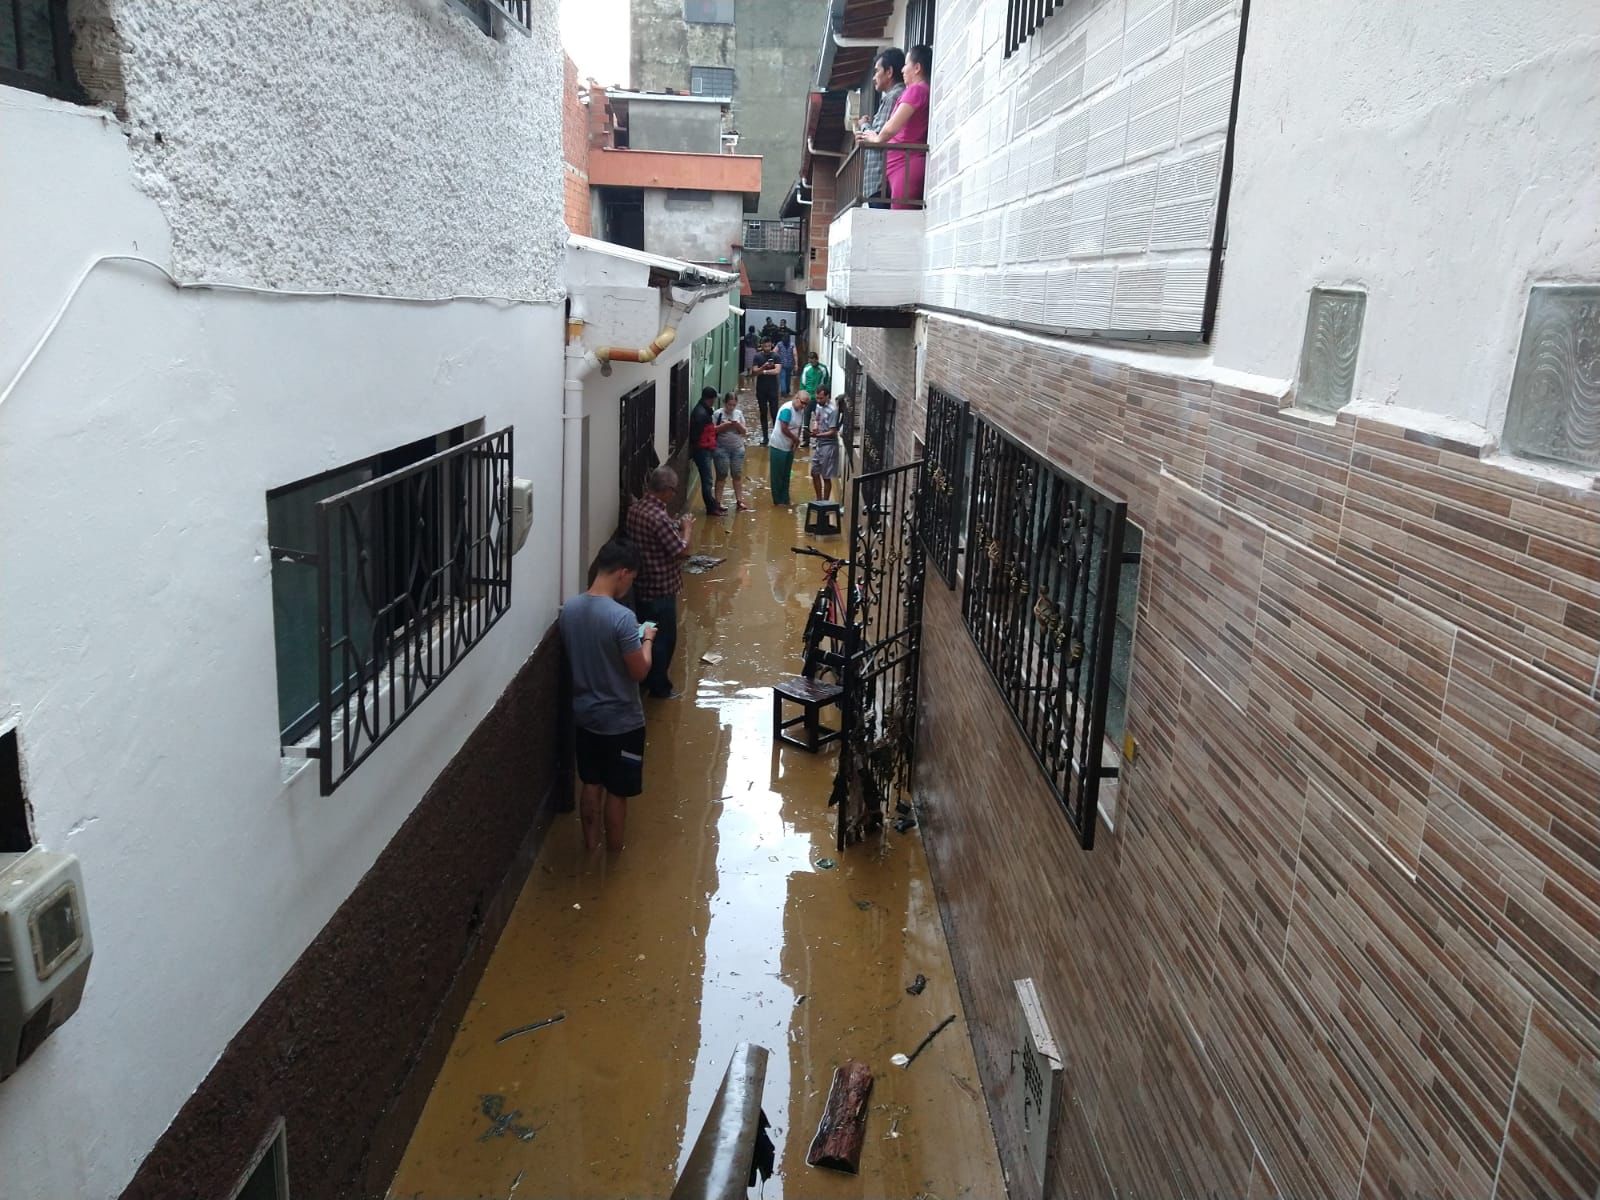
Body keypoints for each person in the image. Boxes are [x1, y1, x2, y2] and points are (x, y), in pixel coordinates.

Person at [560, 539, 655, 852]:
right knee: (617, 790)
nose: (630, 586)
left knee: (591, 781)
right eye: (632, 579)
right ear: (623, 573)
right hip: (622, 722)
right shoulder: (622, 618)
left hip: (585, 716)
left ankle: (590, 847)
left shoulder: (569, 610)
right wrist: (648, 640)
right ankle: (614, 854)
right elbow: (639, 671)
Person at [623, 467, 693, 699]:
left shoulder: (635, 510)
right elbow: (681, 551)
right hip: (661, 589)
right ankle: (660, 687)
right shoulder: (658, 518)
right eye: (673, 492)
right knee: (664, 640)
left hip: (641, 586)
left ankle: (645, 676)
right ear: (666, 491)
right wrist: (687, 530)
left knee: (645, 633)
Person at [857, 43, 930, 209]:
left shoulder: (915, 91)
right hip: (902, 167)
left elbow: (889, 129)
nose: (903, 70)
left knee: (900, 224)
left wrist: (875, 137)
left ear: (917, 67)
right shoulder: (921, 90)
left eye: (907, 65)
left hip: (904, 167)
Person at [857, 49, 905, 208]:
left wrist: (863, 125)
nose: (873, 77)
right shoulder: (897, 95)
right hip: (882, 182)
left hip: (880, 182)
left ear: (889, 71)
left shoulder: (893, 97)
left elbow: (877, 136)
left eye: (877, 71)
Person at [713, 391, 752, 511]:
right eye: (729, 405)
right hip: (721, 449)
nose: (731, 407)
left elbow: (744, 431)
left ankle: (739, 501)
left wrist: (737, 425)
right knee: (721, 475)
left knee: (737, 475)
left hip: (737, 449)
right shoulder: (717, 414)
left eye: (734, 405)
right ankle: (718, 503)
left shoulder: (738, 414)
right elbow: (713, 430)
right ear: (724, 403)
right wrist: (725, 426)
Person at [769, 391, 809, 506]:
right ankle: (778, 501)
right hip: (779, 446)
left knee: (786, 475)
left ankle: (785, 499)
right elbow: (784, 428)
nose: (804, 406)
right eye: (802, 403)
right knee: (777, 476)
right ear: (796, 398)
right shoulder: (787, 409)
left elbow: (799, 426)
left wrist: (796, 441)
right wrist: (796, 439)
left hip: (790, 446)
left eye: (806, 404)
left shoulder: (800, 410)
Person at [688, 386, 723, 516]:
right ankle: (711, 508)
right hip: (702, 451)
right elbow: (697, 436)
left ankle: (713, 505)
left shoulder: (703, 411)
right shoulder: (701, 414)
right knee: (707, 480)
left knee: (708, 479)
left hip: (704, 449)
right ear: (710, 399)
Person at [809, 388, 841, 502]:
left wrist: (818, 435)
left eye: (821, 398)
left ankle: (825, 502)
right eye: (817, 398)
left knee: (826, 477)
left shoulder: (833, 410)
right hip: (819, 444)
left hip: (829, 445)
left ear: (827, 396)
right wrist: (815, 426)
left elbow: (833, 432)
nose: (818, 400)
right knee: (814, 472)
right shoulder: (818, 406)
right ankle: (818, 499)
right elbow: (817, 419)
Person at [752, 339, 781, 443]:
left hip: (773, 389)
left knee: (774, 413)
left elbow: (777, 371)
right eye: (765, 346)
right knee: (763, 412)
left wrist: (763, 371)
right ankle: (765, 437)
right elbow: (754, 372)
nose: (767, 348)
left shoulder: (776, 356)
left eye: (769, 346)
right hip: (761, 389)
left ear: (771, 345)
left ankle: (776, 436)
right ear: (762, 346)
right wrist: (763, 367)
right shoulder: (757, 356)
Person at [776, 327, 795, 397]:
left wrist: (776, 360)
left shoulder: (779, 344)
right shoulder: (792, 344)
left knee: (782, 378)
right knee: (788, 378)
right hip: (790, 364)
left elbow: (774, 352)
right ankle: (787, 390)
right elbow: (795, 354)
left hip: (782, 364)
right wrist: (796, 364)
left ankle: (783, 391)